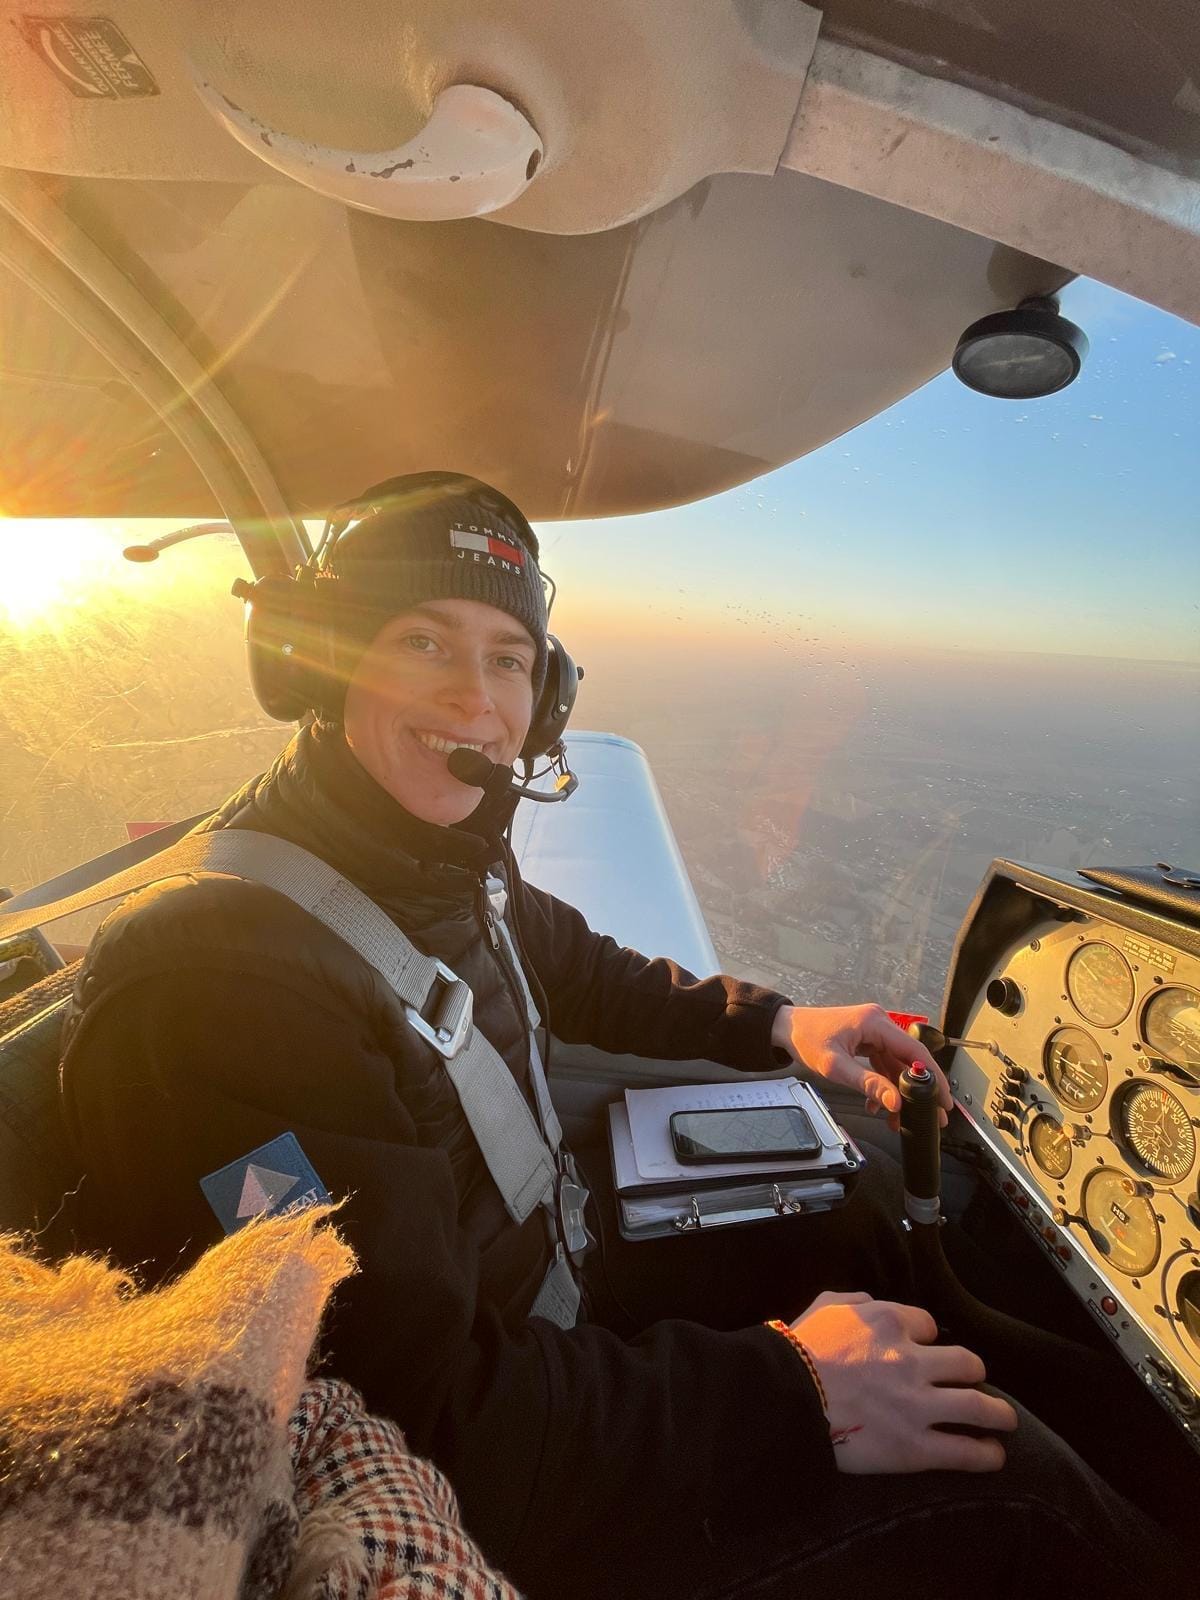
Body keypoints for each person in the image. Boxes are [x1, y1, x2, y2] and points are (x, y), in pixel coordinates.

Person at [59, 473, 1189, 1599]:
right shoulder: (220, 988)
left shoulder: (422, 848)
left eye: (508, 659)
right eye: (422, 641)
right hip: (494, 1480)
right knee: (1006, 1480)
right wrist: (794, 1391)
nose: (476, 698)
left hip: (554, 1298)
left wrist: (782, 1022)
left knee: (863, 1229)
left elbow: (567, 961)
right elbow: (425, 1422)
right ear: (316, 662)